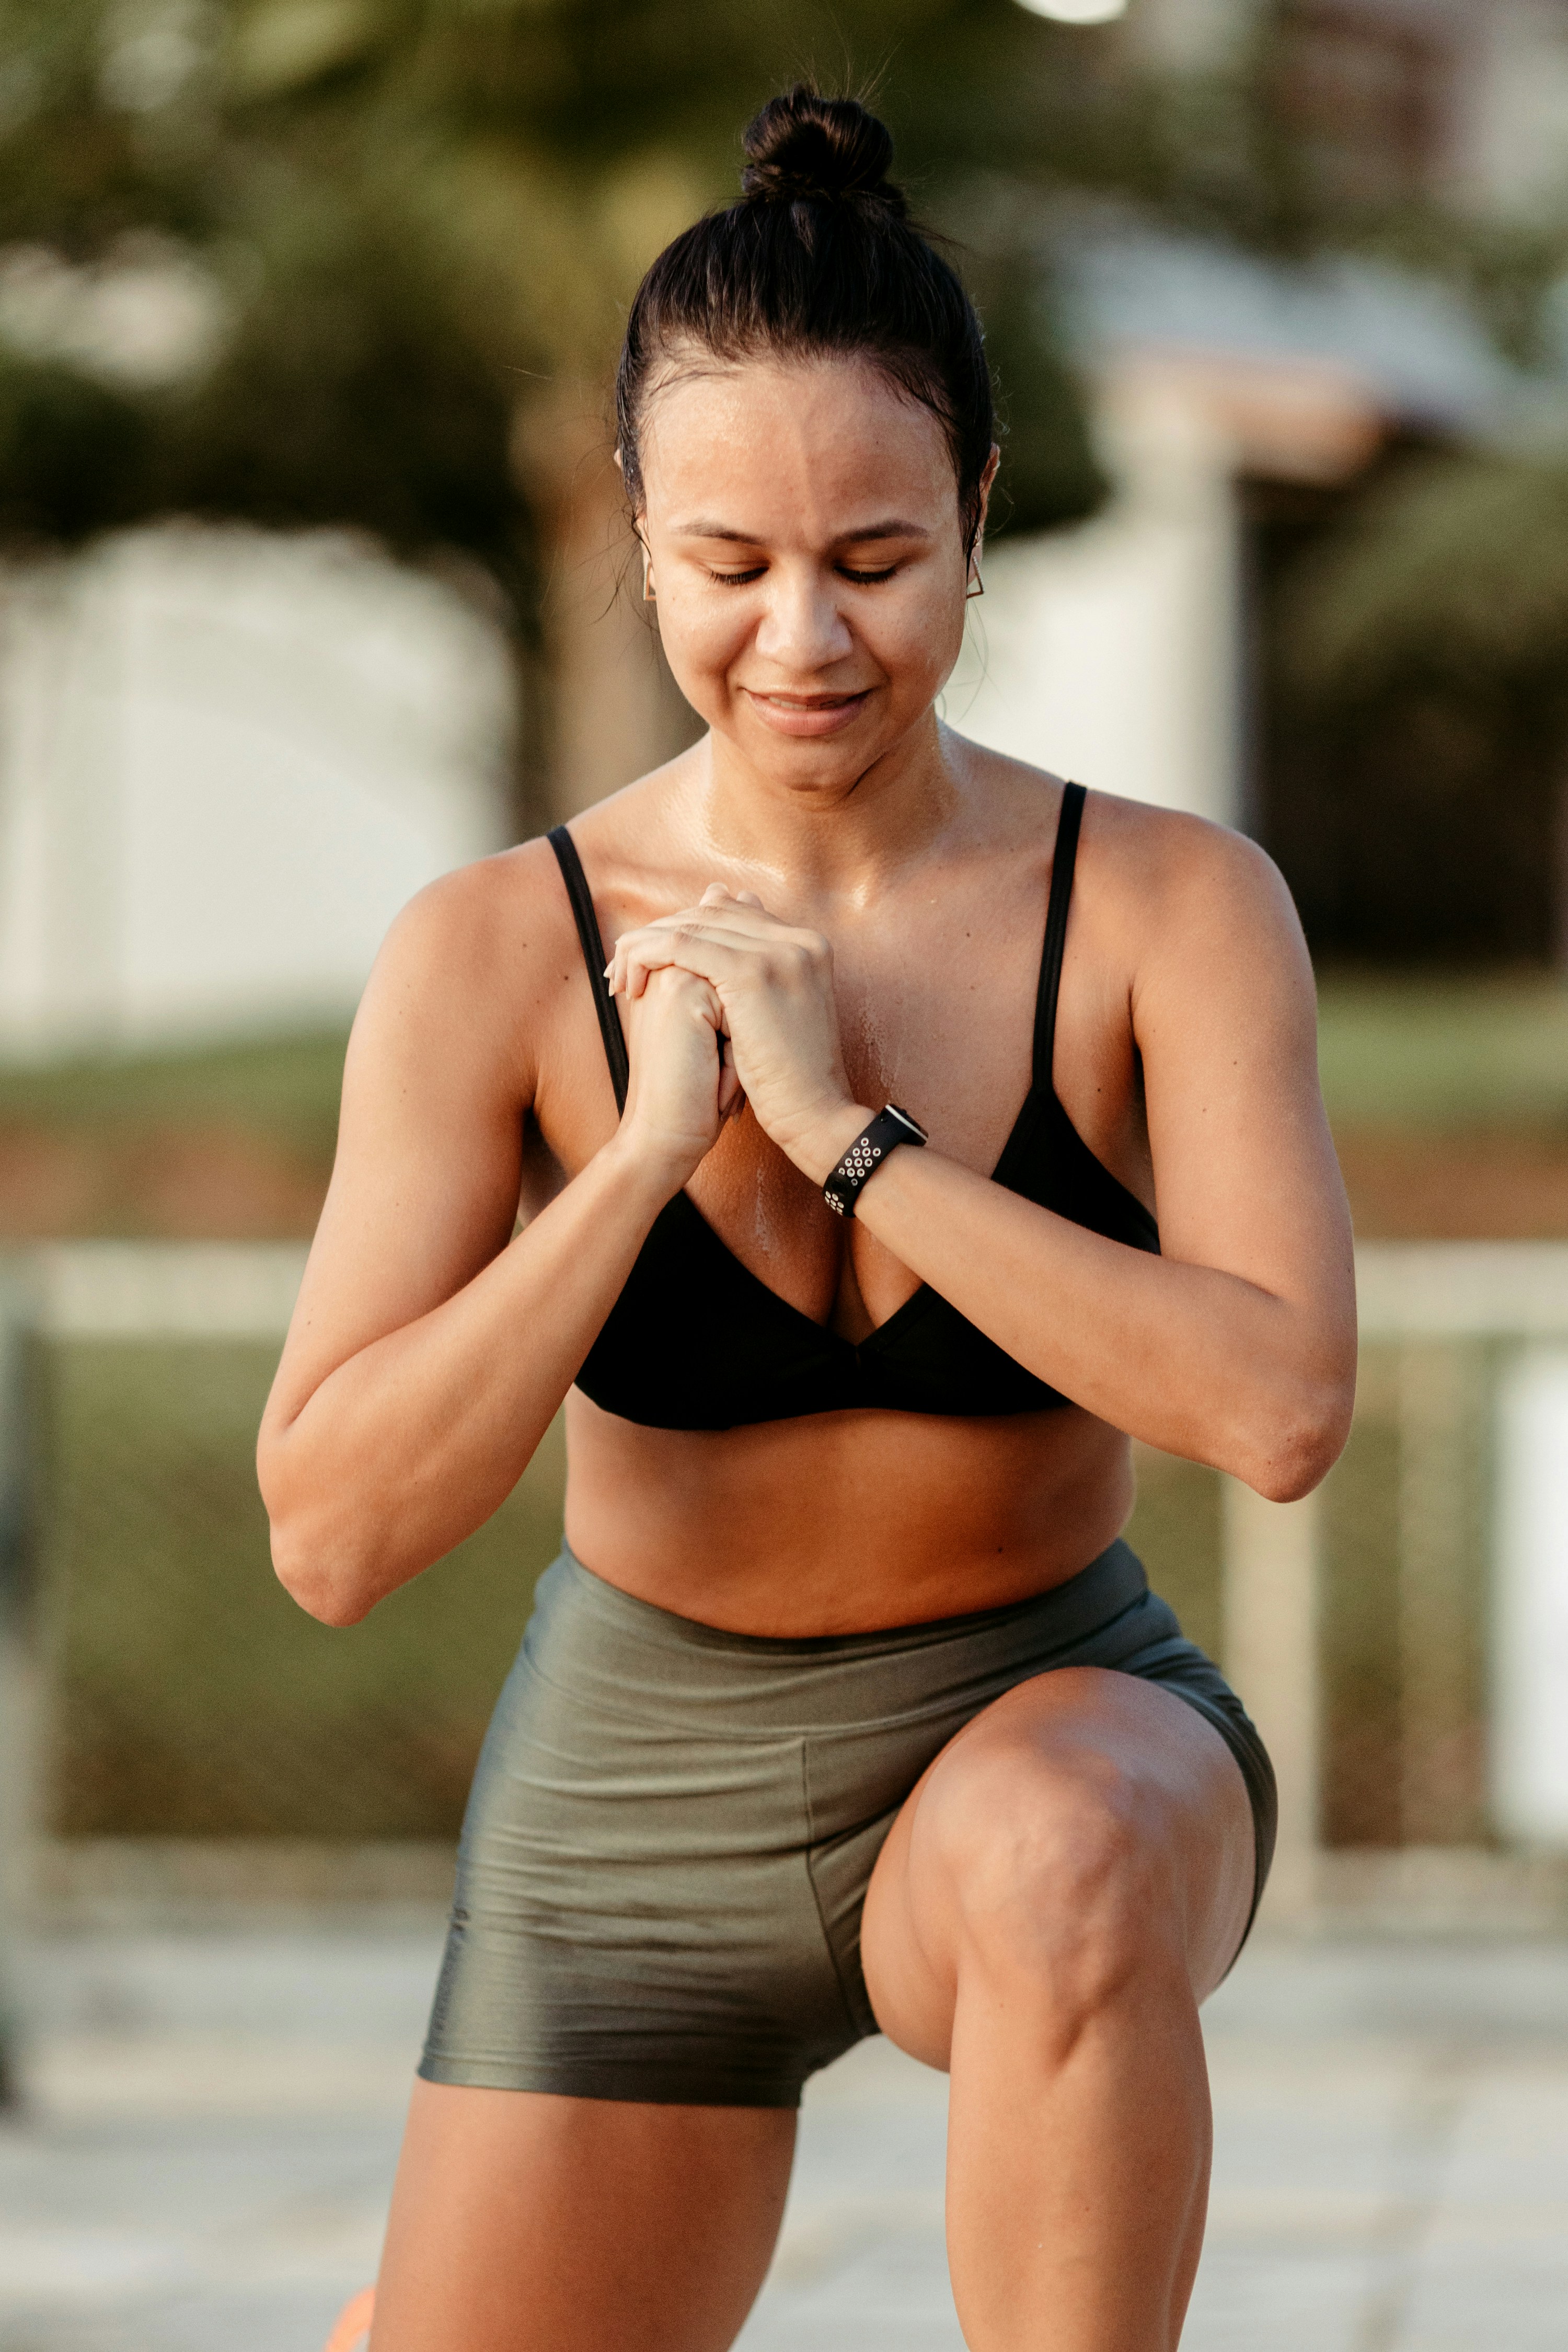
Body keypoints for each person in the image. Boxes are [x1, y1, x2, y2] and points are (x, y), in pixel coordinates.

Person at [260, 85, 1356, 2352]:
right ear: (638, 544)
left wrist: (858, 1142)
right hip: (634, 1777)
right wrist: (647, 1159)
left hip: (1042, 1711)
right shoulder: (493, 953)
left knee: (1071, 1859)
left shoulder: (1165, 910)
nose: (804, 640)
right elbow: (337, 1535)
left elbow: (1276, 1407)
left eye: (873, 562)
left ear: (975, 520)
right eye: (731, 568)